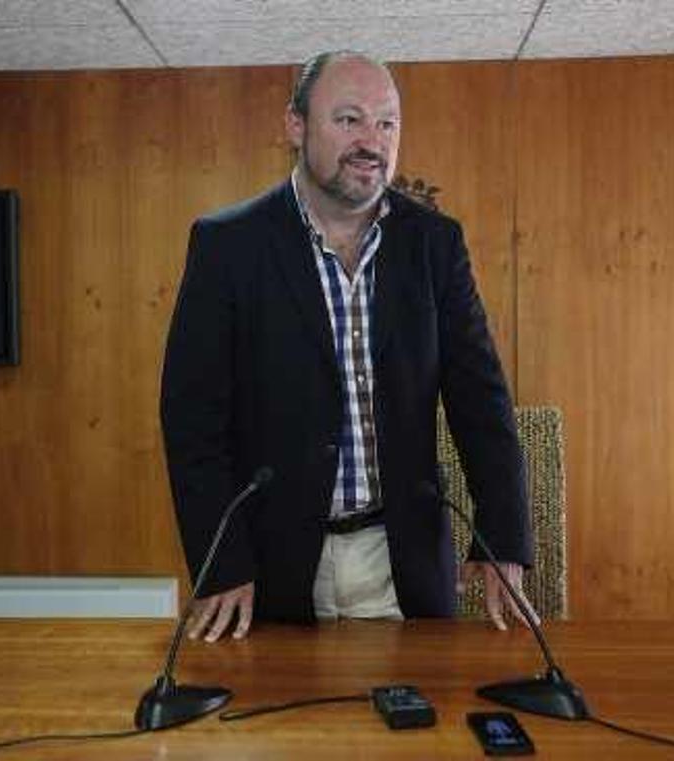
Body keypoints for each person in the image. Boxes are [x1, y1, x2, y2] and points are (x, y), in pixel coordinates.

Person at [160, 50, 531, 642]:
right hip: (267, 567)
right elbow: (193, 422)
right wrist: (222, 561)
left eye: (387, 123)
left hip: (402, 562)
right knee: (285, 728)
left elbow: (481, 404)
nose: (372, 140)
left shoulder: (434, 245)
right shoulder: (227, 246)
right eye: (349, 119)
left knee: (416, 730)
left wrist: (504, 535)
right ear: (296, 126)